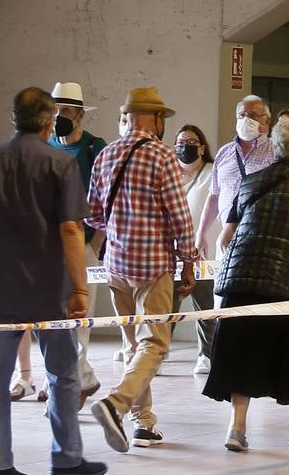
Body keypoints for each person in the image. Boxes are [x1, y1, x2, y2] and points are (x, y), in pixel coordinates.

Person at [0, 86, 107, 475]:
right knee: (62, 374)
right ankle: (67, 459)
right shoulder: (60, 164)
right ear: (48, 121)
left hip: (0, 289)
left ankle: (0, 466)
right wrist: (79, 287)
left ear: (13, 119)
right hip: (50, 290)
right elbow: (72, 230)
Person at [202, 116, 289, 452]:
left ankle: (236, 429)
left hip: (242, 285)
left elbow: (226, 238)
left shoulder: (250, 183)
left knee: (241, 352)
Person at [86, 87, 197, 453]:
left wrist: (118, 233)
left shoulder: (105, 155)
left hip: (116, 265)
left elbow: (94, 214)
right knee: (155, 342)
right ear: (155, 119)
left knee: (133, 342)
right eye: (162, 117)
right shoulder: (162, 156)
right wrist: (188, 263)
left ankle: (143, 422)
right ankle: (116, 404)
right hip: (152, 266)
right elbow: (180, 217)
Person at [5, 83, 105, 403]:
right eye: (55, 111)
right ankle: (73, 377)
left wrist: (97, 240)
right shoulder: (47, 149)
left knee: (80, 315)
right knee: (50, 319)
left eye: (66, 111)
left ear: (79, 115)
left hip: (83, 242)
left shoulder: (94, 148)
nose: (60, 116)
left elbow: (105, 195)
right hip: (47, 248)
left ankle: (72, 380)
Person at [193, 96, 274, 276]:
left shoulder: (274, 151)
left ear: (266, 121)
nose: (246, 119)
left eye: (252, 115)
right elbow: (214, 196)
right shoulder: (224, 153)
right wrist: (201, 233)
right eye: (241, 115)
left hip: (261, 239)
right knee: (222, 296)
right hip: (227, 237)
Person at [175, 124, 220, 375]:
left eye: (191, 142)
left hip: (204, 253)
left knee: (205, 306)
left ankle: (207, 354)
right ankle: (155, 352)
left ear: (202, 148)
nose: (185, 147)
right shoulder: (168, 174)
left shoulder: (211, 173)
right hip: (171, 253)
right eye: (180, 142)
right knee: (166, 307)